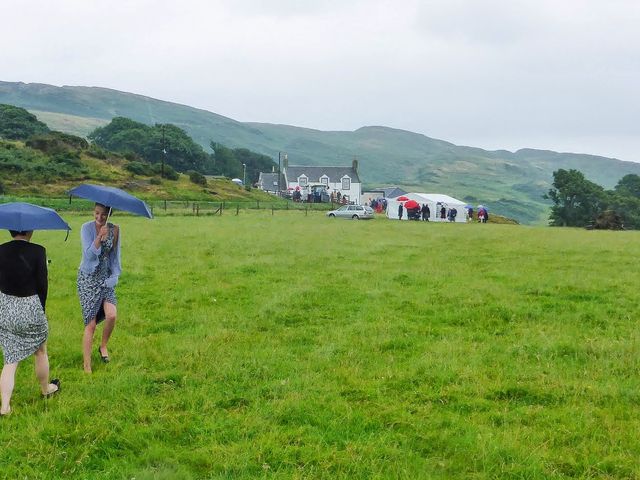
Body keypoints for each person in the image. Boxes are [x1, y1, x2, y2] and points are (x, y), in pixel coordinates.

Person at [0, 230, 60, 415]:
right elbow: (43, 284)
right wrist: (40, 309)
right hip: (31, 309)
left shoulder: (0, 250)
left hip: (6, 310)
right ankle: (45, 389)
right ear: (31, 231)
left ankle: (5, 406)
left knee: (10, 359)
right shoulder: (38, 251)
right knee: (41, 351)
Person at [77, 203, 121, 373]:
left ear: (110, 213)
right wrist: (98, 238)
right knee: (91, 324)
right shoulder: (86, 228)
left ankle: (103, 346)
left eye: (103, 214)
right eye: (97, 213)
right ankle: (87, 365)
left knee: (112, 315)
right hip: (87, 279)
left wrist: (114, 276)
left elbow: (115, 257)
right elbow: (88, 255)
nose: (100, 217)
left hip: (106, 279)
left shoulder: (115, 229)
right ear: (93, 212)